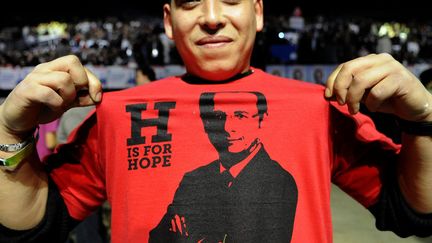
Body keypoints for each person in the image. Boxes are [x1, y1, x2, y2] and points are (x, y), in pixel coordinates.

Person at [0, 1, 431, 243]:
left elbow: (415, 211)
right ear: (169, 20)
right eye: (190, 3)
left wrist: (424, 121)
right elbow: (35, 226)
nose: (211, 16)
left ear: (258, 14)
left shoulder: (315, 108)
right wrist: (10, 134)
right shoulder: (119, 113)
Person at [149, 91, 297, 242]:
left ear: (261, 121)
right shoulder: (193, 179)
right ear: (205, 124)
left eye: (240, 116)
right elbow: (156, 238)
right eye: (218, 117)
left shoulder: (278, 181)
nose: (228, 127)